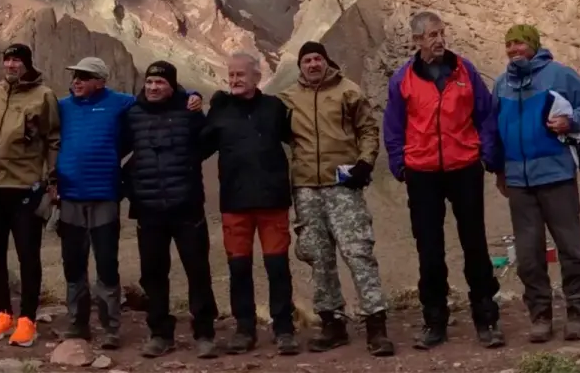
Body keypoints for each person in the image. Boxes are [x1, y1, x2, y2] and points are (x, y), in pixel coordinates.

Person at [56, 56, 202, 349]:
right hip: (70, 195)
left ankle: (110, 328)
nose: (76, 81)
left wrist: (191, 95)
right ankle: (78, 323)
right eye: (75, 76)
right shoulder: (62, 107)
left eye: (84, 77)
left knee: (107, 263)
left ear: (100, 80)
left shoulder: (121, 103)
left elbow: (158, 94)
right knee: (73, 264)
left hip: (106, 195)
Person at [383, 11, 503, 350]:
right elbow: (393, 127)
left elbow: (486, 114)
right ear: (417, 40)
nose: (439, 40)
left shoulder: (465, 71)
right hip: (422, 173)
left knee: (475, 244)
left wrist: (487, 154)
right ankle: (434, 320)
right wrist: (401, 165)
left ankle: (487, 317)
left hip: (464, 166)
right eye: (431, 35)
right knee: (430, 250)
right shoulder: (402, 79)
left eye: (441, 33)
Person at [279, 42, 393, 357]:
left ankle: (376, 324)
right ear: (300, 65)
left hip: (342, 186)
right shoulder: (288, 99)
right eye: (306, 60)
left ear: (326, 61)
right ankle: (332, 324)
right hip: (306, 189)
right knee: (319, 257)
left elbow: (369, 130)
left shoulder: (349, 91)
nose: (312, 64)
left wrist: (365, 163)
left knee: (358, 252)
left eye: (317, 58)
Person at [492, 24, 580, 342]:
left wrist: (571, 120)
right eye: (509, 44)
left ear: (534, 45)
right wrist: (499, 171)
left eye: (520, 43)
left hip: (557, 176)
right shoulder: (501, 84)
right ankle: (540, 317)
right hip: (519, 184)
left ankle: (578, 313)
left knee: (570, 249)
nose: (513, 49)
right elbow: (494, 131)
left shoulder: (558, 75)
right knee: (528, 255)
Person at [201, 52, 299, 356]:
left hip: (272, 201)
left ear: (257, 76)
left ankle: (284, 329)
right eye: (230, 75)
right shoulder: (219, 109)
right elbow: (199, 147)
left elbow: (298, 138)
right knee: (239, 268)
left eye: (240, 75)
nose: (234, 81)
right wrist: (192, 107)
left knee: (277, 267)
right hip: (235, 201)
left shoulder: (274, 107)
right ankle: (245, 329)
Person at [119, 61, 219, 359]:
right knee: (153, 274)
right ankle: (160, 333)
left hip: (186, 207)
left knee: (197, 271)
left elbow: (207, 142)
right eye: (149, 82)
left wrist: (188, 166)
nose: (153, 87)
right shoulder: (132, 114)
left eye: (160, 83)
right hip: (148, 209)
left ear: (172, 86)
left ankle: (204, 333)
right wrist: (128, 180)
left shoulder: (189, 111)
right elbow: (117, 148)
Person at [0, 44, 60, 347]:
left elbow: (53, 139)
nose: (11, 65)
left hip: (24, 187)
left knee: (27, 253)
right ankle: (3, 314)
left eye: (17, 60)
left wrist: (52, 179)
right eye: (7, 60)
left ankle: (27, 320)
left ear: (27, 65)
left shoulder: (43, 96)